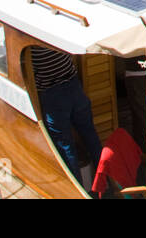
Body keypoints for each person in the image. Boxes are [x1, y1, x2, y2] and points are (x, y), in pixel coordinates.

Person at [30, 46, 102, 186]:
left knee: (65, 146)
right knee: (90, 135)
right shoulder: (56, 32)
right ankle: (106, 181)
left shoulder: (33, 46)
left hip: (53, 94)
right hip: (74, 86)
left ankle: (77, 190)